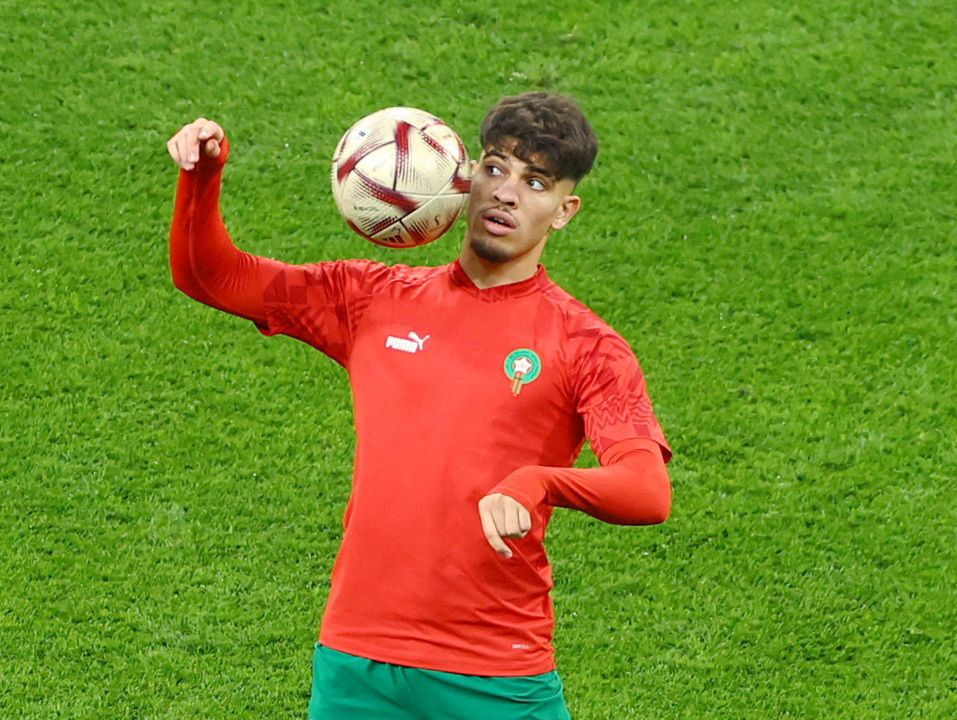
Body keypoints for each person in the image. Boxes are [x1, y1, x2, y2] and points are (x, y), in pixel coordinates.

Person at [167, 92, 672, 720]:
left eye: (535, 182)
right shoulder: (372, 298)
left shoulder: (585, 345)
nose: (505, 193)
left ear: (564, 211)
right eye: (495, 168)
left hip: (496, 673)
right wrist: (202, 176)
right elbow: (211, 276)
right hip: (357, 662)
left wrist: (539, 482)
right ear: (465, 176)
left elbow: (646, 490)